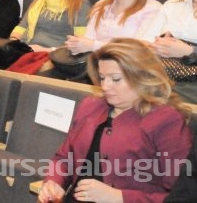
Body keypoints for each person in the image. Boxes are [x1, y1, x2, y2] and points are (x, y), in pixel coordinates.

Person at [37, 39, 192, 203]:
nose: (105, 86)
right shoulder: (91, 105)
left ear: (142, 76)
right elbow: (64, 158)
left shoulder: (166, 120)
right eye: (102, 78)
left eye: (116, 79)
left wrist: (120, 197)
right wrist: (54, 182)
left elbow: (182, 195)